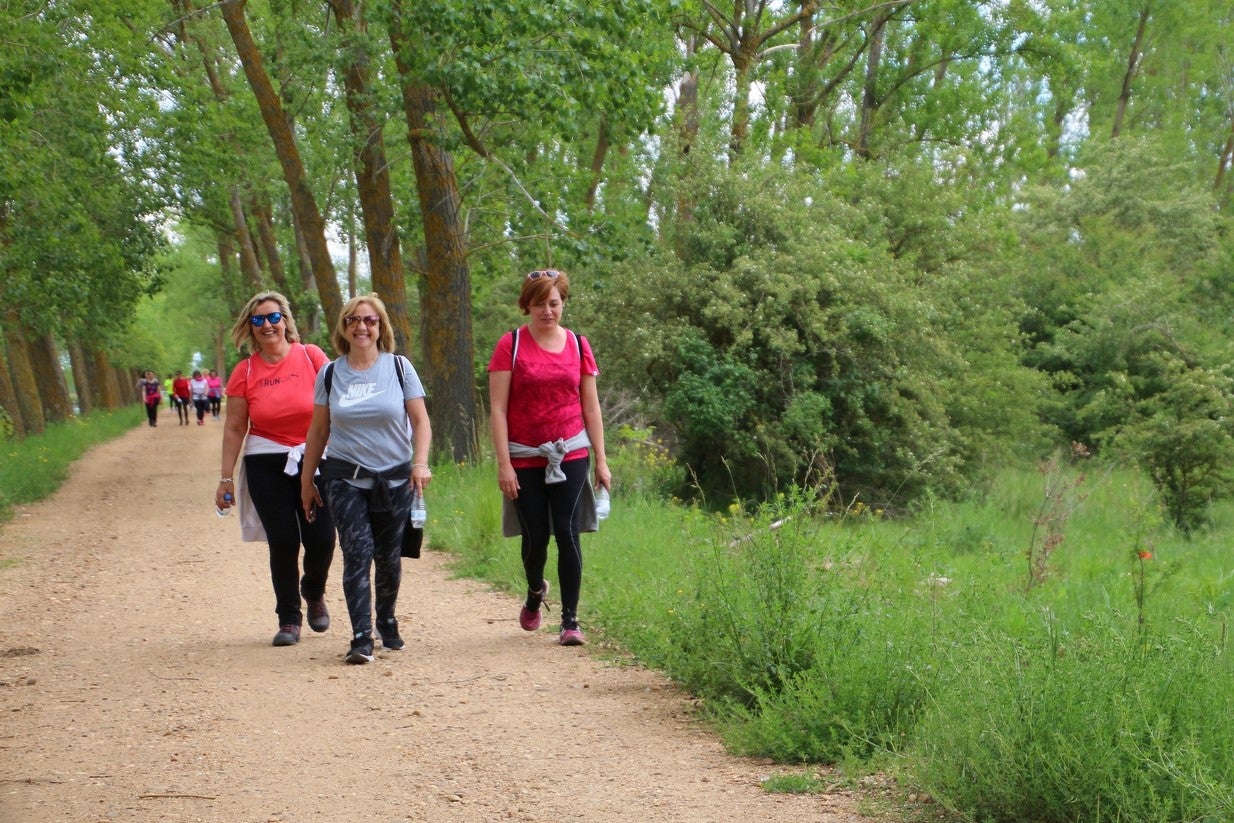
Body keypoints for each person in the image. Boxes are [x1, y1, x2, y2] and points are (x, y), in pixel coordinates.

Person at [301, 293, 432, 665]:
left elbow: (421, 422)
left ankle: (386, 620)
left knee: (389, 557)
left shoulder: (399, 368)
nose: (361, 327)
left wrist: (419, 464)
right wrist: (307, 481)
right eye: (353, 320)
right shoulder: (330, 373)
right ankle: (361, 636)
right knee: (356, 552)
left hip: (393, 478)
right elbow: (318, 431)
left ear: (380, 327)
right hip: (345, 476)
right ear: (343, 327)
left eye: (369, 321)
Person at [488, 268, 610, 646]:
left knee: (568, 534)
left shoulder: (578, 345)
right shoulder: (510, 344)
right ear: (527, 306)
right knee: (536, 538)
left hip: (571, 452)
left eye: (554, 303)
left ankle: (570, 621)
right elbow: (497, 409)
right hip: (524, 456)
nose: (547, 311)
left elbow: (591, 407)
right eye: (539, 303)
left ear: (563, 303)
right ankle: (535, 591)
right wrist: (504, 464)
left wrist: (602, 460)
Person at [215, 292, 337, 648]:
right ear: (250, 328)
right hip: (266, 460)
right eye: (257, 320)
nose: (266, 325)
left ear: (285, 320)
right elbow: (235, 427)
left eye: (272, 317)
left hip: (316, 456)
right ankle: (289, 619)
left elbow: (338, 405)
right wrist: (225, 479)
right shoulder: (246, 371)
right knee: (283, 540)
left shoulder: (312, 356)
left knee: (322, 538)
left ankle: (313, 591)